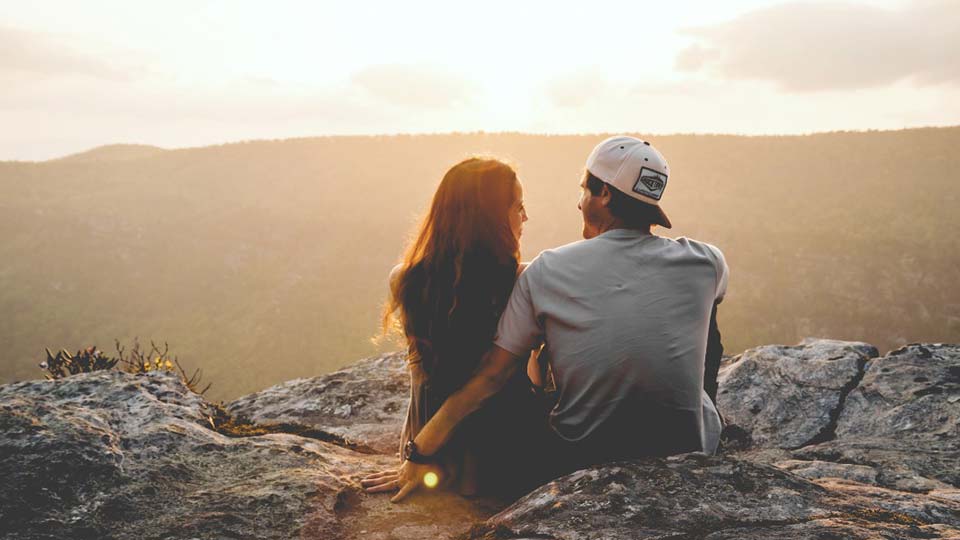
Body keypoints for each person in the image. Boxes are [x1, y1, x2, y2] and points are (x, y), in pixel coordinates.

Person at [366, 136, 728, 502]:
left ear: (603, 193)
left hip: (577, 458)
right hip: (687, 452)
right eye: (518, 207)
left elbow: (492, 376)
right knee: (703, 331)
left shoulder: (548, 271)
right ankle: (697, 420)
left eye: (585, 189)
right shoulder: (708, 261)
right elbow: (706, 332)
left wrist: (420, 449)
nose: (578, 201)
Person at [361, 157, 543, 499]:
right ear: (489, 219)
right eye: (518, 206)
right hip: (508, 456)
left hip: (436, 457)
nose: (525, 217)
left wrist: (414, 453)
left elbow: (421, 383)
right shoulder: (525, 280)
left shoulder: (405, 279)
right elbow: (497, 379)